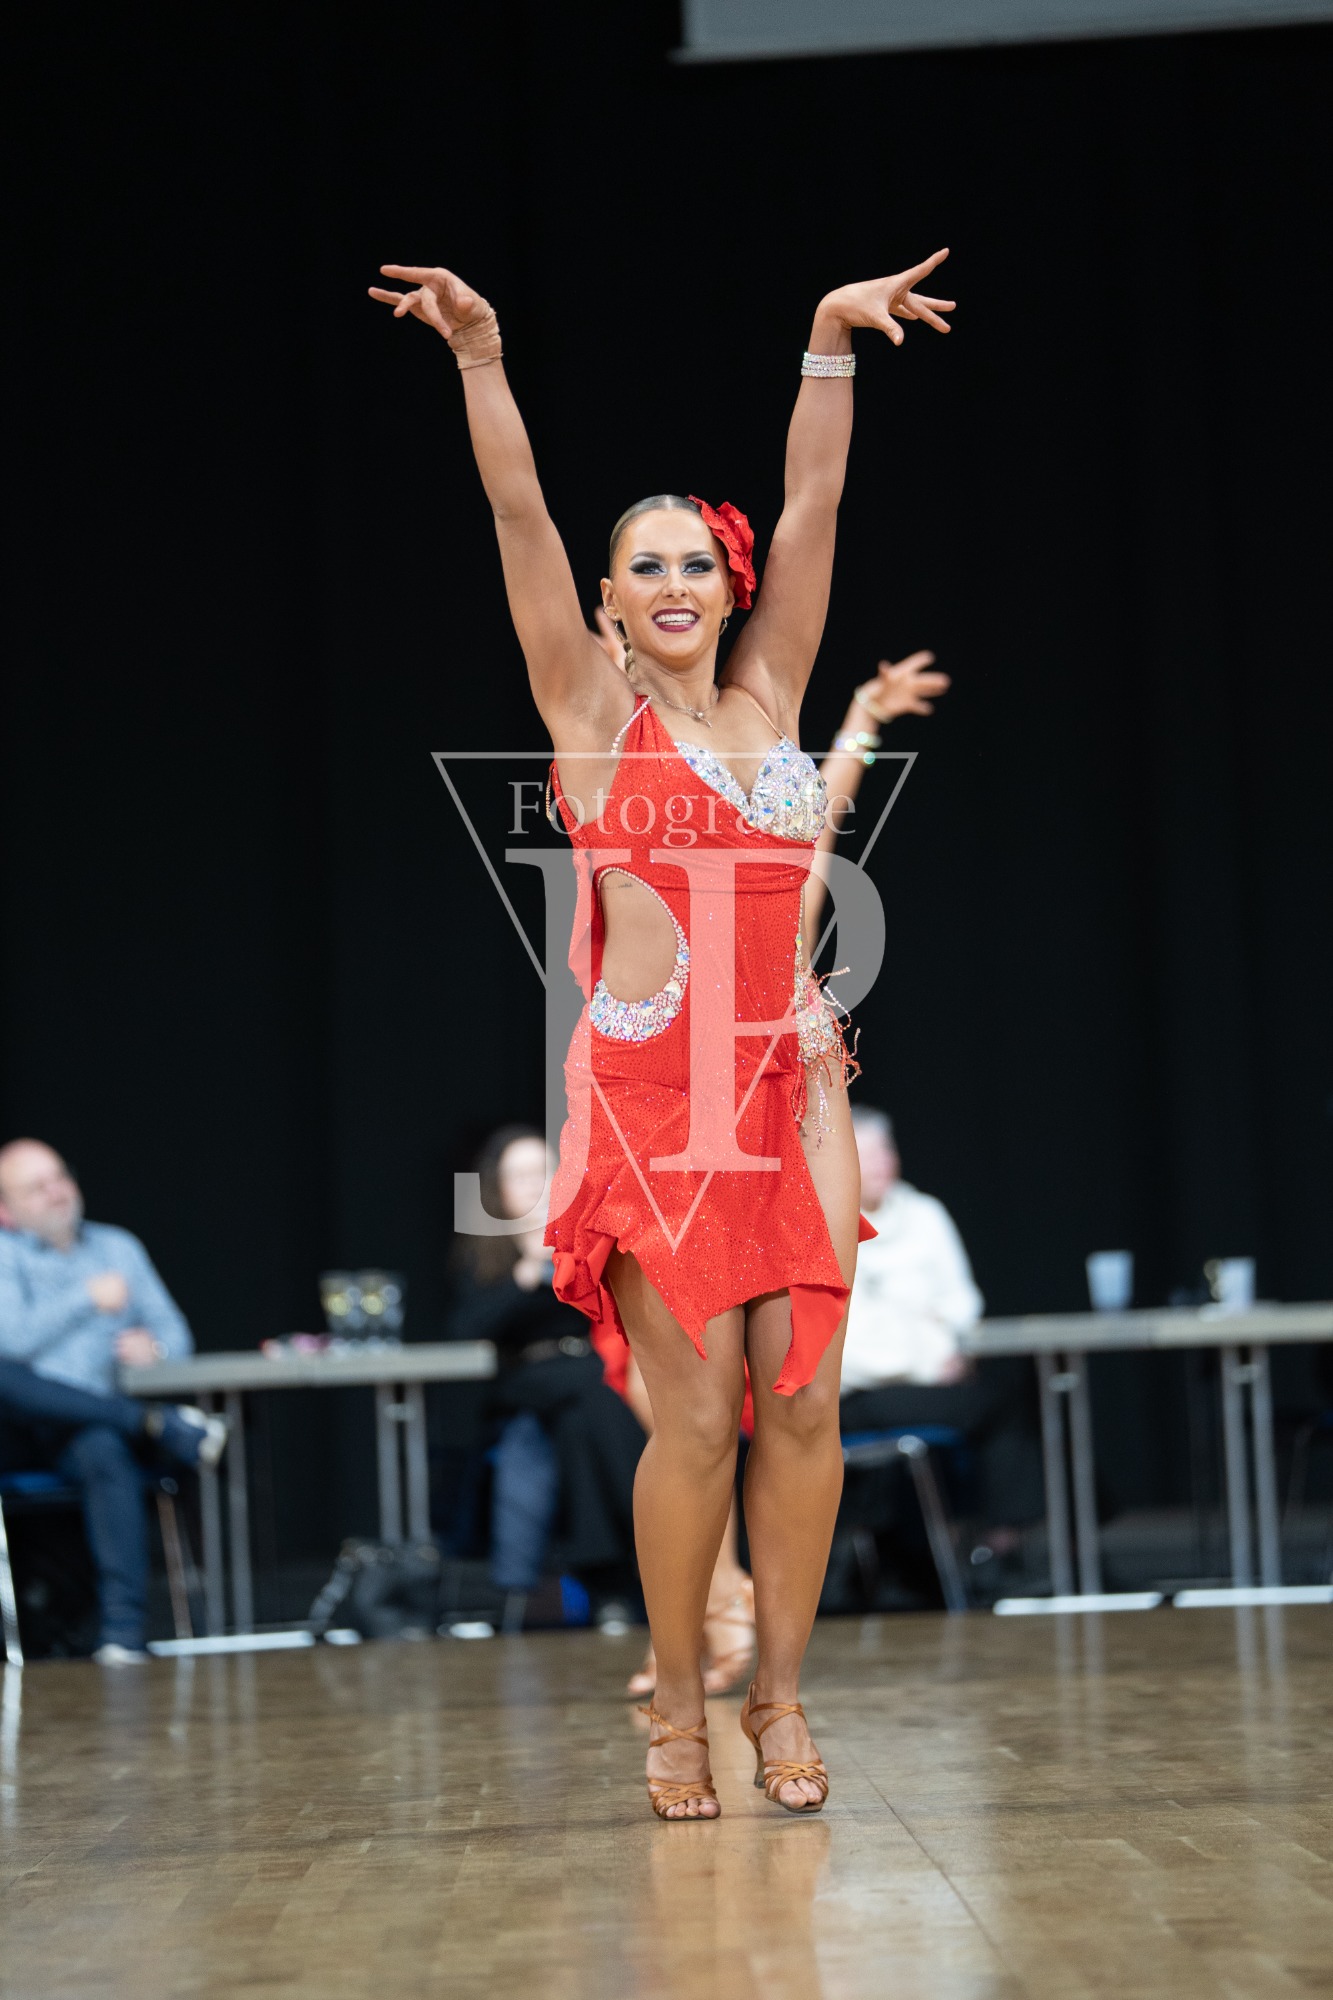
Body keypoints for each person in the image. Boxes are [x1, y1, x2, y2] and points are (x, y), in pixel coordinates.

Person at [371, 250, 954, 1816]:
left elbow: (815, 505)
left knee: (806, 1400)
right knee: (694, 1420)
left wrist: (828, 339)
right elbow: (517, 515)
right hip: (656, 1092)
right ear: (613, 599)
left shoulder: (772, 697)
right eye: (648, 566)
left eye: (698, 560)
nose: (678, 582)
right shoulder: (587, 711)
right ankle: (681, 1708)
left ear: (727, 584)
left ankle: (781, 1697)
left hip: (793, 1079)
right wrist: (480, 357)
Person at [587, 628, 952, 1699]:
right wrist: (622, 673)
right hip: (669, 1125)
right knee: (674, 1409)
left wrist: (863, 723)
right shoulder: (637, 816)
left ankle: (734, 1625)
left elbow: (818, 820)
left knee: (769, 1402)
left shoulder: (779, 884)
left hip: (773, 1129)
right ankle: (710, 1611)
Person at [0, 1138, 227, 1663]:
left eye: (60, 1177)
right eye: (37, 1187)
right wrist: (85, 1298)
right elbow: (10, 1341)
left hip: (88, 1430)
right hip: (19, 1428)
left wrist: (156, 1349)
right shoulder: (6, 1254)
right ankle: (152, 1422)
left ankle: (122, 1635)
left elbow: (177, 1334)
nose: (57, 1192)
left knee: (102, 1446)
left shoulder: (117, 1248)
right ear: (6, 1210)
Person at [449, 1126, 645, 1619]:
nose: (535, 1186)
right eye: (520, 1176)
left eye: (544, 1172)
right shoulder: (486, 1253)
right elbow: (467, 1328)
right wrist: (525, 1275)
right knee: (593, 1393)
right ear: (498, 1187)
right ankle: (655, 1536)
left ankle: (608, 1585)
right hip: (528, 1378)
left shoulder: (589, 1240)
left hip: (586, 1375)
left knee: (581, 1425)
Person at [843, 1108, 1038, 1538]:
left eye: (886, 1150)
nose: (882, 1163)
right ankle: (1003, 1540)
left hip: (933, 1375)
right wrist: (931, 1355)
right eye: (867, 1154)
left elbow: (961, 1302)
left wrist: (943, 1345)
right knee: (1000, 1405)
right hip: (862, 1394)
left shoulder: (923, 1213)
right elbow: (851, 1347)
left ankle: (1041, 1535)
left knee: (1029, 1385)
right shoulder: (827, 1225)